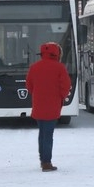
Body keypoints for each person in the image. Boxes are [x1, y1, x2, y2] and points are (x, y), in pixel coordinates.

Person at [25, 42, 71, 172]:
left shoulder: (34, 67)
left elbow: (29, 86)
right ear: (56, 54)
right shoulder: (60, 68)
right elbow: (66, 86)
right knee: (48, 134)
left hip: (38, 105)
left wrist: (38, 93)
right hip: (53, 106)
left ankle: (43, 160)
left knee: (42, 133)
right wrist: (60, 96)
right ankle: (47, 162)